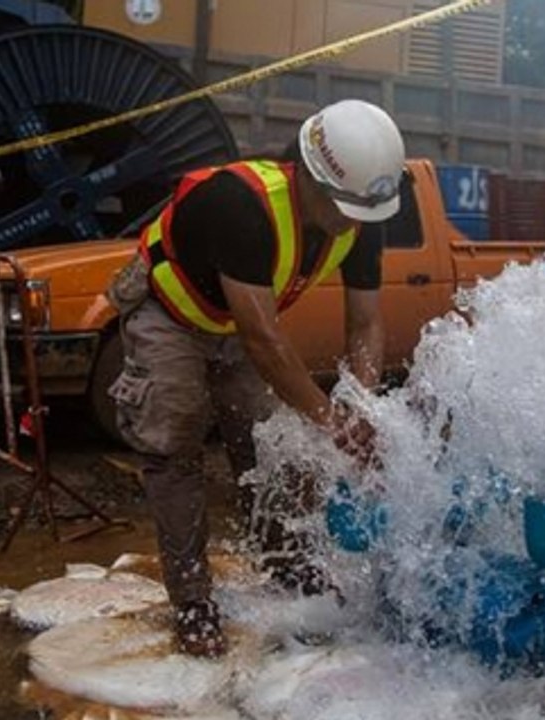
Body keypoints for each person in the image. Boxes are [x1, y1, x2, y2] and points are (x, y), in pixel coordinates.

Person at [107, 99, 405, 658]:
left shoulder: (360, 213)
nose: (351, 222)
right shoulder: (239, 203)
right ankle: (193, 599)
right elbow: (263, 340)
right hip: (169, 315)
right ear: (309, 176)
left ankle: (285, 563)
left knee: (264, 445)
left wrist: (361, 406)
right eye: (343, 208)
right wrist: (331, 423)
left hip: (233, 323)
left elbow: (365, 323)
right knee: (175, 445)